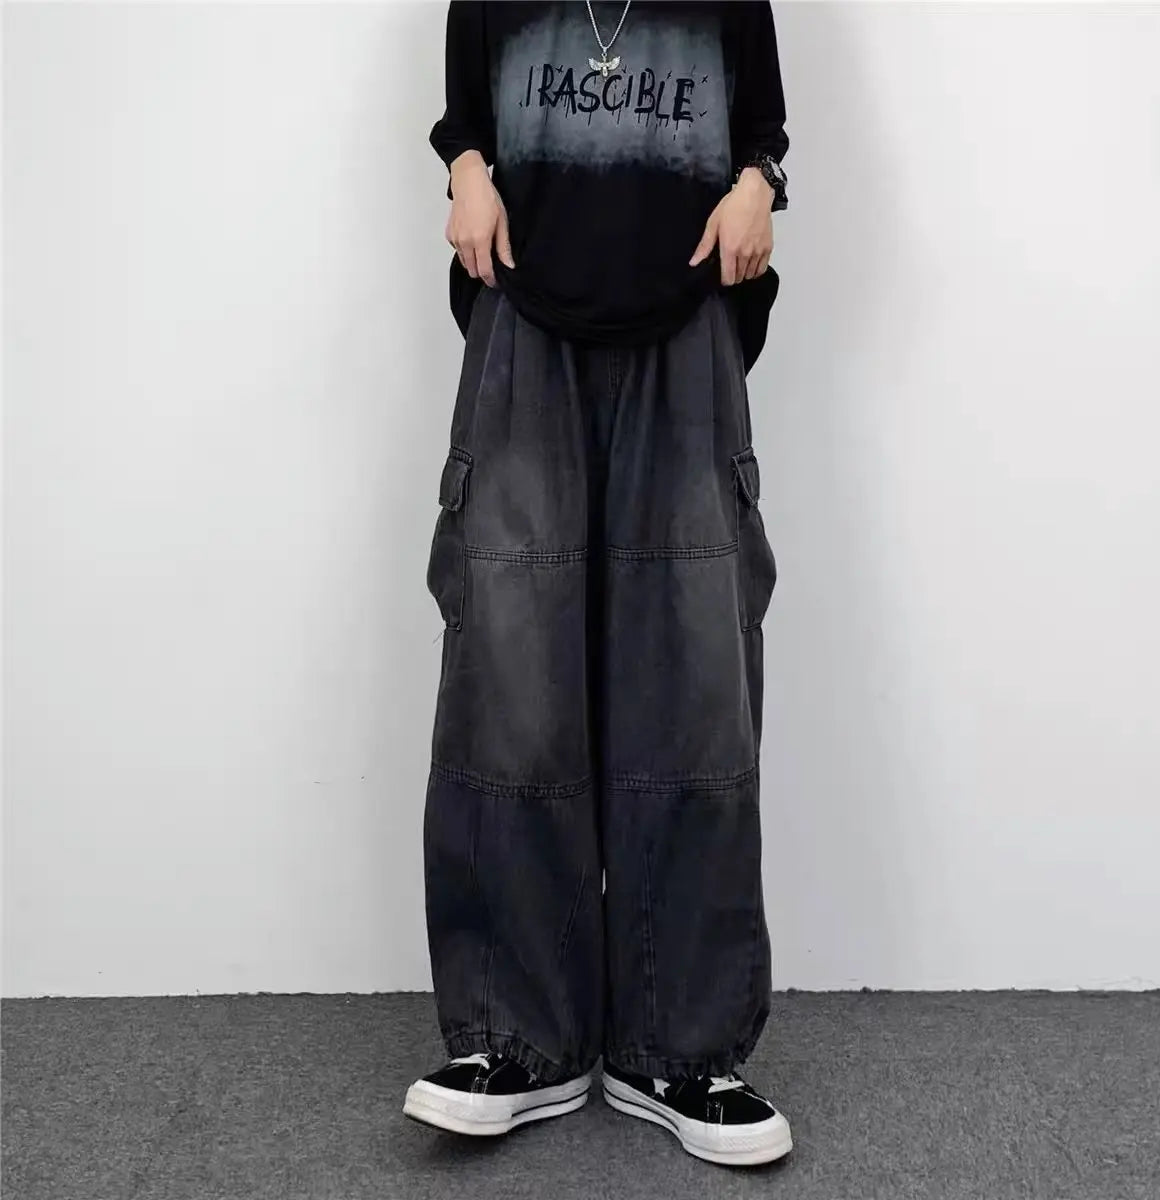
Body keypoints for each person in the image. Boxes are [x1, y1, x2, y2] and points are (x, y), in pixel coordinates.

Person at [403, 0, 791, 1167]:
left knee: (693, 687)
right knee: (511, 684)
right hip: (525, 326)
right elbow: (466, 112)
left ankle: (679, 1048)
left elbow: (763, 125)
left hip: (685, 331)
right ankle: (517, 1040)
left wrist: (758, 187)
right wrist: (467, 172)